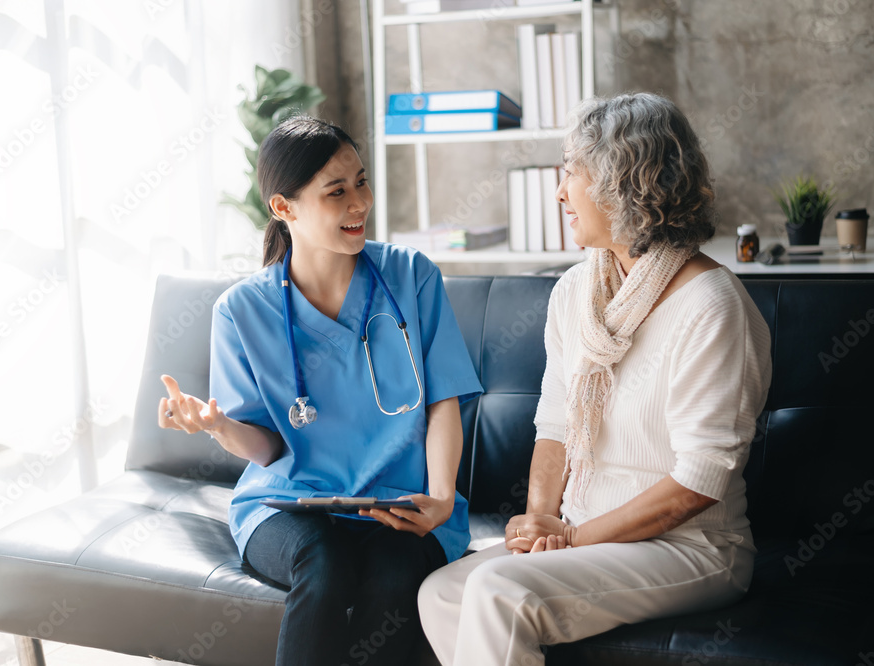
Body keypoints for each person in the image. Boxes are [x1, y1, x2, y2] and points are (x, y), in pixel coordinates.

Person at [418, 92, 773, 665]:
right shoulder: (576, 292)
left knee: (500, 590)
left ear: (622, 182)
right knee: (441, 592)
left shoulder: (712, 305)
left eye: (570, 173)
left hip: (693, 547)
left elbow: (699, 481)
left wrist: (571, 540)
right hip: (582, 530)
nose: (560, 193)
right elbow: (556, 423)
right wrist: (541, 518)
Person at [158, 116, 482, 666]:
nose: (360, 202)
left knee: (395, 574)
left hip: (401, 506)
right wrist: (216, 426)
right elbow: (263, 449)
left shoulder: (411, 276)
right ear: (284, 209)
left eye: (361, 182)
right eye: (337, 192)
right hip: (287, 506)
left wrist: (443, 498)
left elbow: (441, 402)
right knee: (323, 562)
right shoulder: (241, 312)